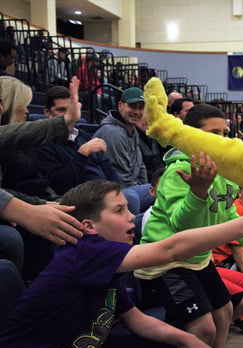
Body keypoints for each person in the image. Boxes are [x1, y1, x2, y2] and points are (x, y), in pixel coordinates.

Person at [0, 175, 243, 348]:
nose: (132, 217)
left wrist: (187, 339)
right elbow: (170, 248)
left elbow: (138, 321)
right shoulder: (84, 252)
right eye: (120, 210)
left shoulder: (106, 263)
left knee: (168, 345)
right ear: (88, 226)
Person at [135, 104, 243, 348]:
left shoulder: (224, 171)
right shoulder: (177, 173)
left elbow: (228, 213)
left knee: (224, 313)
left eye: (225, 133)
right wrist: (197, 193)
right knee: (202, 329)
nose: (222, 140)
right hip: (166, 261)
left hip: (197, 259)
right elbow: (181, 226)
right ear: (193, 136)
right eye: (214, 133)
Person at [0, 76, 84, 322]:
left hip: (35, 201)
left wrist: (41, 205)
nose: (27, 111)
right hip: (19, 216)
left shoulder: (16, 139)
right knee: (12, 240)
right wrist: (26, 209)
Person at [35, 85, 142, 214]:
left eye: (71, 110)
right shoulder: (43, 143)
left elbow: (108, 168)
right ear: (47, 112)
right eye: (61, 110)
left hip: (108, 192)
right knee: (132, 197)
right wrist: (82, 154)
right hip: (84, 201)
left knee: (158, 189)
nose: (68, 115)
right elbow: (61, 184)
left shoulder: (83, 136)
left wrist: (118, 191)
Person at [93, 87, 153, 213]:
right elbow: (120, 176)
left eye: (141, 107)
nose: (137, 112)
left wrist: (145, 186)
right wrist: (145, 189)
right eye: (132, 106)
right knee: (159, 191)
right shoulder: (112, 132)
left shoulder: (131, 128)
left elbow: (140, 166)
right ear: (120, 105)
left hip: (130, 187)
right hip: (108, 190)